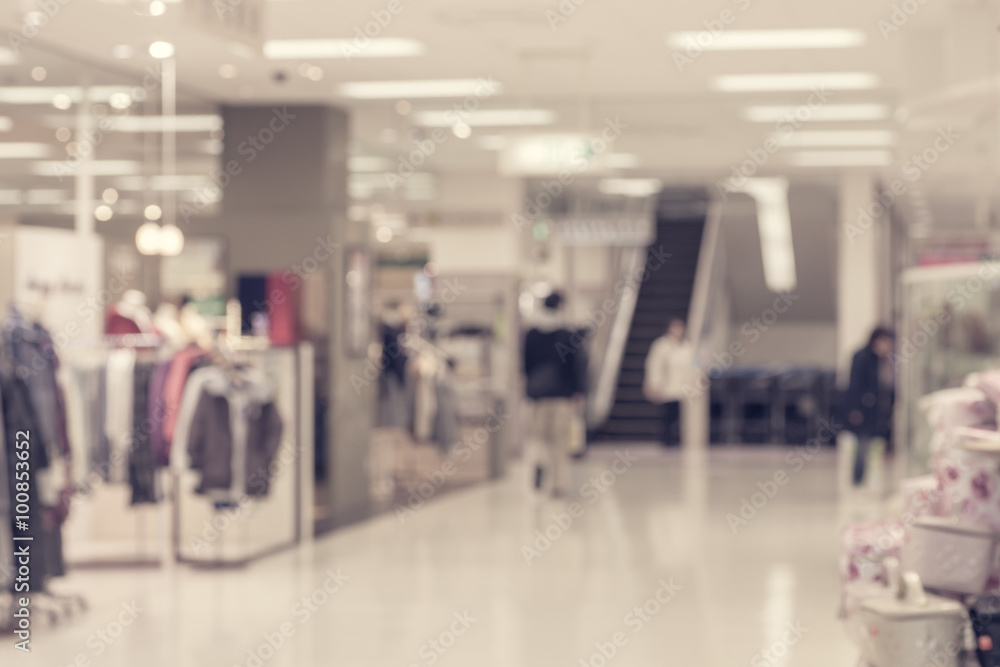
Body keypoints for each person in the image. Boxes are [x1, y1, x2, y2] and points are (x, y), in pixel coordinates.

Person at [523, 292, 588, 497]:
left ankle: (541, 465)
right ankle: (558, 484)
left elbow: (525, 365)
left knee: (540, 438)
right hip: (562, 395)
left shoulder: (531, 334)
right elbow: (575, 367)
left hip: (539, 396)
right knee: (561, 441)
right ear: (560, 306)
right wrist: (578, 391)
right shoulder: (567, 334)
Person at [844, 327, 895, 486]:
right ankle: (857, 481)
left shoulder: (882, 360)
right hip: (863, 411)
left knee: (869, 448)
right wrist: (855, 410)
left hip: (875, 412)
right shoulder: (862, 358)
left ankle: (863, 480)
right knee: (862, 447)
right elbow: (855, 386)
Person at [643, 319, 694, 446]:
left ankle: (678, 439)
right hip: (667, 387)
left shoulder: (687, 347)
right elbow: (654, 365)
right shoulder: (661, 346)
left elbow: (694, 365)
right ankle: (666, 439)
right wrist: (654, 383)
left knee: (680, 416)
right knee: (667, 414)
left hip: (683, 388)